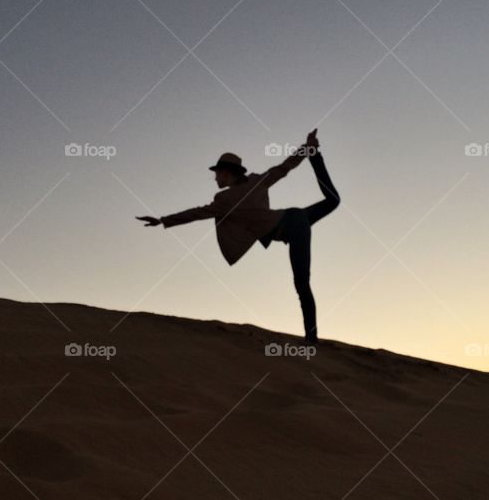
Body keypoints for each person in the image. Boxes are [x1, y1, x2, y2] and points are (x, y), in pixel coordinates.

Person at [136, 129, 340, 344]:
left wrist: (163, 220)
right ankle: (316, 155)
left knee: (301, 283)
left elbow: (196, 213)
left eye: (217, 173)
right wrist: (308, 149)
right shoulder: (256, 181)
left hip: (294, 225)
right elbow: (284, 167)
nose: (214, 177)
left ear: (226, 173)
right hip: (296, 218)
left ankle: (311, 340)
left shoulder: (224, 199)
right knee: (333, 201)